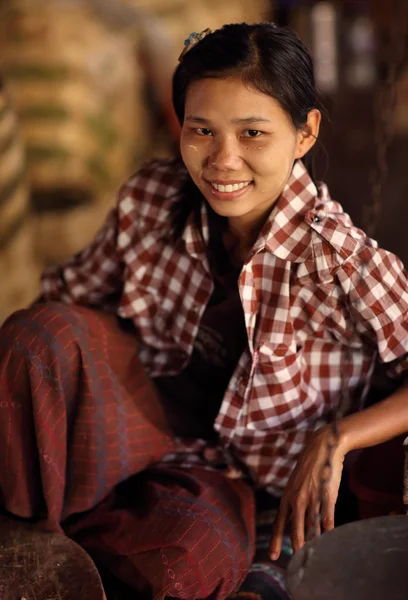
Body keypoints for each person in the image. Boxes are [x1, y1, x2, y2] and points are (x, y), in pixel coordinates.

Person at [1, 21, 408, 600]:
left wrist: (336, 438)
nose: (223, 160)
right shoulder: (153, 197)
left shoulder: (344, 264)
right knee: (35, 339)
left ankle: (75, 508)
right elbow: (69, 300)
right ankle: (31, 530)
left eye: (252, 134)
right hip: (137, 415)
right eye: (202, 131)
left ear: (305, 132)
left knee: (187, 562)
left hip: (225, 478)